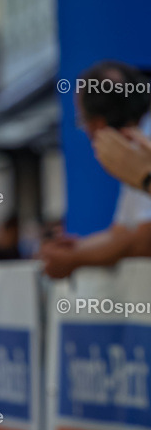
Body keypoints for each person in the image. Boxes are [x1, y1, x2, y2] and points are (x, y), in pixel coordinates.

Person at [41, 60, 151, 278]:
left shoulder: (141, 145)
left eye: (83, 121)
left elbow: (144, 240)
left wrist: (74, 257)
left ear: (99, 124)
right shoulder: (136, 142)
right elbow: (122, 232)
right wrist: (76, 250)